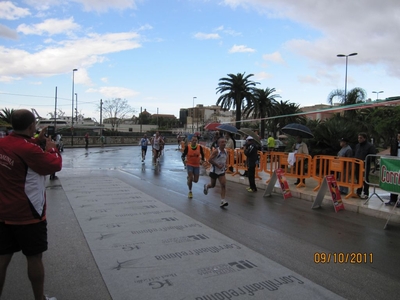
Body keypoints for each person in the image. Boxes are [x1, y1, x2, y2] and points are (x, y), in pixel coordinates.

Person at [0, 109, 62, 300]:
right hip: (29, 215)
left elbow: (18, 147)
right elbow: (54, 165)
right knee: (34, 258)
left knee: (2, 259)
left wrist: (36, 140)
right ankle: (39, 298)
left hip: (4, 213)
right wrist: (52, 148)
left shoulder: (3, 143)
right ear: (31, 125)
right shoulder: (30, 150)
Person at [203, 137, 229, 208]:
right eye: (222, 142)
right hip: (214, 171)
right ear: (219, 144)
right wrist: (217, 165)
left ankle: (223, 201)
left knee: (223, 184)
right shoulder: (216, 151)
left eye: (224, 142)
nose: (224, 143)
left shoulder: (226, 151)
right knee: (213, 185)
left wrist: (226, 165)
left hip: (221, 171)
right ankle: (207, 186)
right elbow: (209, 160)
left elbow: (226, 159)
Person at [354, 132, 377, 199]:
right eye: (358, 138)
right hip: (357, 164)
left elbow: (372, 155)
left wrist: (367, 161)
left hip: (365, 165)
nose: (359, 139)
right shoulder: (357, 145)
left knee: (365, 179)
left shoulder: (369, 146)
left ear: (364, 138)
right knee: (358, 178)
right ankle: (358, 191)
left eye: (361, 138)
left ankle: (366, 193)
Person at [385, 132, 400, 207]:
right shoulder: (394, 143)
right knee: (394, 182)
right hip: (395, 165)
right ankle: (393, 199)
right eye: (398, 137)